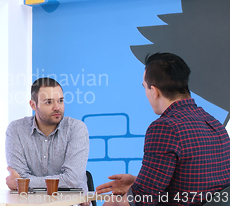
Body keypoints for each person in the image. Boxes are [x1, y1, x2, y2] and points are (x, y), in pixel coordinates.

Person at [96, 53, 230, 206]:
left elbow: (143, 200)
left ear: (154, 91)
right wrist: (137, 182)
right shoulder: (214, 123)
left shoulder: (165, 127)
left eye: (145, 88)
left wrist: (113, 202)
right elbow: (196, 189)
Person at [5, 77, 89, 191]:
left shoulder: (76, 128)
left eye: (60, 100)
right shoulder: (16, 130)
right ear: (33, 105)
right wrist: (21, 182)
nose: (57, 107)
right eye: (49, 102)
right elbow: (18, 176)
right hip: (30, 203)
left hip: (70, 202)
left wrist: (24, 183)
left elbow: (73, 180)